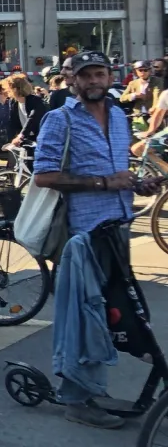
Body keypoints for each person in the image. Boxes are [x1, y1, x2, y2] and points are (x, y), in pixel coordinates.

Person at [34, 51, 162, 430]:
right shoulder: (60, 120)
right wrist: (103, 184)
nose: (93, 82)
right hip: (82, 236)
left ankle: (90, 386)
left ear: (110, 77)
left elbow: (116, 172)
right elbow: (43, 176)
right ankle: (77, 398)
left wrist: (136, 184)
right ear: (72, 80)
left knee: (111, 315)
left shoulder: (120, 117)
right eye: (85, 76)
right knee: (83, 315)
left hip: (117, 228)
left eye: (99, 74)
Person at [3, 72, 48, 152]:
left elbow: (32, 119)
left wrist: (21, 136)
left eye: (9, 88)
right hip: (25, 139)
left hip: (40, 138)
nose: (7, 91)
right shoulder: (13, 102)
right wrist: (10, 141)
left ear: (15, 89)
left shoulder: (36, 101)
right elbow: (12, 122)